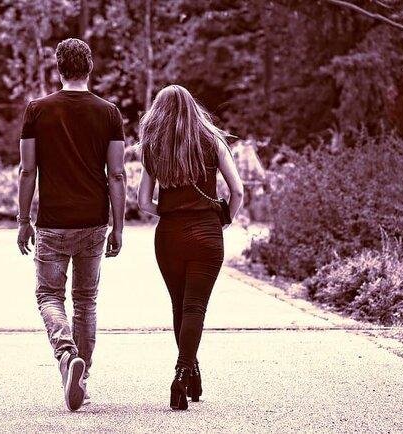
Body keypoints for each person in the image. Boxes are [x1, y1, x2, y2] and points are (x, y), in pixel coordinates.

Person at [16, 38, 126, 411]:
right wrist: (118, 226)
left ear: (59, 68)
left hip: (53, 223)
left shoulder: (37, 111)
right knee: (85, 301)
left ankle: (66, 356)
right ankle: (82, 377)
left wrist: (23, 220)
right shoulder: (109, 113)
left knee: (49, 296)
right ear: (89, 67)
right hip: (94, 221)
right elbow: (117, 174)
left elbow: (27, 170)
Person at [137, 85, 245, 410]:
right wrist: (224, 219)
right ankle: (185, 372)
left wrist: (172, 211)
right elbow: (238, 191)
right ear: (193, 109)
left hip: (169, 235)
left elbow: (144, 202)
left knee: (179, 306)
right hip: (207, 233)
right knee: (195, 307)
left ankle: (190, 372)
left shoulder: (153, 147)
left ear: (158, 114)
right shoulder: (212, 141)